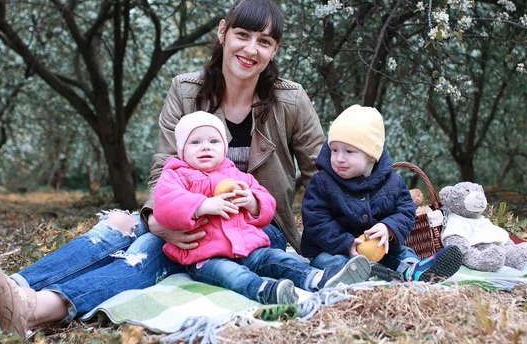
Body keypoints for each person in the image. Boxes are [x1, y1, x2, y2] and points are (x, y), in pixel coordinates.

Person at [0, 0, 326, 336]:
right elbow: (162, 169)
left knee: (149, 249)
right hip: (186, 209)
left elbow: (321, 178)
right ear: (223, 32)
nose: (251, 49)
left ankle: (34, 309)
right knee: (120, 223)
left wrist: (331, 245)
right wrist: (156, 221)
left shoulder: (290, 100)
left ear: (275, 50)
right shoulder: (185, 90)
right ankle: (5, 291)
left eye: (264, 42)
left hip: (256, 228)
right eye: (243, 35)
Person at [153, 111, 370, 304]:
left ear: (224, 147)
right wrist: (202, 205)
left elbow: (268, 204)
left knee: (277, 258)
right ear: (182, 150)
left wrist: (252, 202)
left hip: (249, 248)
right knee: (231, 274)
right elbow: (164, 205)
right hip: (207, 256)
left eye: (213, 141)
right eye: (195, 143)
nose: (206, 147)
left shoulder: (236, 176)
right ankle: (265, 291)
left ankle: (317, 278)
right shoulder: (176, 175)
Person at [300, 105, 463, 283]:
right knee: (330, 261)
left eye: (349, 151)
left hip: (379, 249)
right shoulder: (322, 182)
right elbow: (316, 220)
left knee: (401, 252)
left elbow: (405, 211)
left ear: (372, 155)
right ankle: (360, 274)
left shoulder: (393, 183)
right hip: (331, 249)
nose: (339, 158)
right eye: (334, 150)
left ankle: (413, 269)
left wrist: (388, 227)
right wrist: (345, 244)